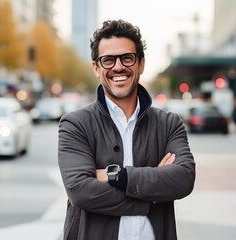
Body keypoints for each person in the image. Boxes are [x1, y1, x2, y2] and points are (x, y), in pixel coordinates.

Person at [58, 19, 195, 240]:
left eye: (127, 58)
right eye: (108, 60)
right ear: (96, 67)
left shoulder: (169, 123)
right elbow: (80, 191)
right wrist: (150, 194)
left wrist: (118, 176)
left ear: (141, 64)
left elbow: (183, 179)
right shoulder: (76, 124)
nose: (118, 67)